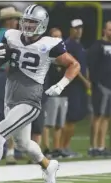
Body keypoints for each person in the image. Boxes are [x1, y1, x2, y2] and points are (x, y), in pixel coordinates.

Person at [0, 4, 80, 183]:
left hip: (30, 100)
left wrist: (61, 85)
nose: (27, 26)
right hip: (11, 97)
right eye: (25, 22)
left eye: (33, 22)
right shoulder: (10, 35)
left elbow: (73, 64)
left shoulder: (50, 44)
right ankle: (48, 165)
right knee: (24, 144)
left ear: (42, 25)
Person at [0, 7, 22, 165]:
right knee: (10, 113)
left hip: (5, 75)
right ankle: (9, 150)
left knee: (5, 113)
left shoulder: (2, 35)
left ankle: (5, 148)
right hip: (6, 75)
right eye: (14, 19)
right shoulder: (4, 35)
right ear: (8, 20)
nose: (17, 22)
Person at [87, 21, 111, 157]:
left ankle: (101, 146)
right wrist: (95, 83)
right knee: (97, 117)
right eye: (110, 30)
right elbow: (90, 66)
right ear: (104, 31)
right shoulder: (98, 46)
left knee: (107, 117)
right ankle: (93, 146)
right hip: (101, 86)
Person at [61, 19, 90, 157]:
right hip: (72, 86)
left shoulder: (80, 46)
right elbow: (73, 67)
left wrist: (87, 79)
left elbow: (84, 65)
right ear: (71, 30)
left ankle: (66, 147)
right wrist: (85, 81)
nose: (78, 31)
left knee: (74, 118)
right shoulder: (69, 45)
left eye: (80, 28)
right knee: (69, 118)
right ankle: (63, 147)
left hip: (79, 87)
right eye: (76, 28)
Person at [43, 28, 70, 158]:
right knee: (48, 123)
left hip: (63, 92)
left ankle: (57, 148)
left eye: (60, 36)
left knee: (60, 123)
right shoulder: (46, 53)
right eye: (55, 36)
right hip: (50, 92)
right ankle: (46, 148)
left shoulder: (64, 54)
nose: (58, 39)